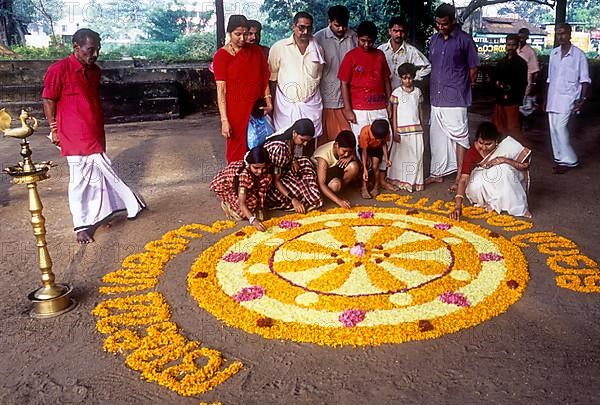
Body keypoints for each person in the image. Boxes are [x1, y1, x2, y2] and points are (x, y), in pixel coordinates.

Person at [42, 28, 145, 244]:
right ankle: (82, 225)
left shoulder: (94, 71)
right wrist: (54, 129)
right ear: (76, 47)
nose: (95, 54)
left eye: (98, 49)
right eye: (90, 49)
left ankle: (101, 214)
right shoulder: (59, 69)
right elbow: (48, 99)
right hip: (72, 135)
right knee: (80, 180)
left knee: (98, 176)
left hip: (94, 131)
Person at [427, 3, 479, 193]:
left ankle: (459, 176)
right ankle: (437, 172)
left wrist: (463, 87)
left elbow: (473, 69)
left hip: (456, 97)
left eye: (445, 24)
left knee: (460, 138)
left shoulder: (465, 40)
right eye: (438, 24)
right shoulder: (434, 40)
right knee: (437, 136)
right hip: (436, 97)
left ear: (453, 21)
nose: (441, 27)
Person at [214, 15, 272, 163]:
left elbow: (264, 78)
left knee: (258, 147)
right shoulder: (221, 56)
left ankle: (257, 183)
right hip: (234, 111)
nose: (242, 38)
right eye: (237, 34)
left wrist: (268, 101)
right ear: (229, 33)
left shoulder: (256, 52)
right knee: (236, 150)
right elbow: (221, 90)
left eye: (245, 34)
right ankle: (236, 183)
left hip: (255, 108)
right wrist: (224, 120)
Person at [450, 122, 532, 220]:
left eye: (488, 144)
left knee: (504, 169)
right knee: (476, 183)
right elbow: (463, 179)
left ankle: (516, 206)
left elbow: (524, 166)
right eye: (481, 143)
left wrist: (502, 160)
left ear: (496, 141)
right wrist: (458, 206)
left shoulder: (505, 145)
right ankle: (490, 202)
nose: (484, 148)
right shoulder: (471, 153)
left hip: (502, 180)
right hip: (483, 185)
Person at [269, 11, 325, 151]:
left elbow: (319, 77)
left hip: (311, 102)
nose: (305, 31)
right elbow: (272, 78)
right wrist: (271, 104)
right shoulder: (279, 47)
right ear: (293, 26)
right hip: (286, 103)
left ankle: (307, 167)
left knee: (310, 138)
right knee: (285, 138)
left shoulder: (318, 49)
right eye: (301, 27)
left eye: (309, 28)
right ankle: (287, 167)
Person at [546, 23, 591, 174]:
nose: (561, 36)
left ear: (570, 34)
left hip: (568, 98)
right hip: (553, 97)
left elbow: (585, 80)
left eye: (563, 33)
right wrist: (545, 99)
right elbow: (549, 79)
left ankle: (571, 159)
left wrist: (581, 100)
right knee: (553, 129)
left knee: (560, 128)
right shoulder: (554, 54)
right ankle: (560, 159)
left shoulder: (579, 55)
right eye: (558, 34)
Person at [338, 21, 392, 140]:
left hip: (380, 107)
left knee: (384, 142)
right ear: (357, 37)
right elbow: (344, 83)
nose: (366, 44)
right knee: (362, 143)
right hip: (359, 110)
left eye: (370, 41)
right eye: (363, 41)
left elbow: (386, 79)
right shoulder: (350, 56)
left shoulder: (380, 55)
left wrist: (389, 103)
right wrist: (348, 109)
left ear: (375, 40)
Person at [314, 5, 357, 144]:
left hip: (351, 99)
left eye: (344, 25)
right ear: (329, 21)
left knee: (349, 140)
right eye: (337, 25)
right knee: (327, 142)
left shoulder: (354, 37)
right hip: (327, 98)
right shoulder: (318, 38)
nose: (341, 29)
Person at [264, 118, 323, 213]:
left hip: (283, 170)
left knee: (305, 162)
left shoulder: (290, 139)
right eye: (303, 140)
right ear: (294, 133)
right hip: (271, 182)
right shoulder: (280, 149)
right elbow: (276, 180)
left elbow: (289, 156)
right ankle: (301, 198)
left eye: (307, 141)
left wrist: (292, 159)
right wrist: (293, 199)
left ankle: (307, 192)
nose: (305, 144)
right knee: (300, 191)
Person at [209, 146, 273, 232]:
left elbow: (262, 188)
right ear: (249, 165)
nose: (260, 172)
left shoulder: (266, 172)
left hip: (247, 187)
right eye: (256, 168)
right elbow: (241, 203)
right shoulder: (244, 176)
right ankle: (226, 204)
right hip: (228, 186)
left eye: (263, 168)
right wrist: (253, 220)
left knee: (257, 211)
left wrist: (259, 207)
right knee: (241, 215)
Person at [388, 63, 425, 192]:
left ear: (414, 77)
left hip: (416, 130)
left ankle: (414, 181)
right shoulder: (396, 93)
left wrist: (422, 126)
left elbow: (420, 111)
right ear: (400, 78)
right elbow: (394, 114)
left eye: (410, 78)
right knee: (402, 157)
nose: (407, 81)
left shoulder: (417, 92)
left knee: (417, 155)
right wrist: (395, 130)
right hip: (402, 131)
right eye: (404, 78)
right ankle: (402, 181)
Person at [491, 34, 528, 144]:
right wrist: (498, 85)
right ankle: (501, 148)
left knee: (513, 129)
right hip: (499, 100)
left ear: (517, 46)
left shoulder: (521, 63)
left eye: (513, 45)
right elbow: (495, 78)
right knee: (498, 127)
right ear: (505, 45)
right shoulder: (501, 62)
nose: (510, 47)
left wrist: (515, 97)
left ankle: (518, 153)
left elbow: (522, 83)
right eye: (508, 45)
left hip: (512, 100)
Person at [377, 16, 431, 91]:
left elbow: (428, 67)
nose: (398, 34)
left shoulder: (411, 51)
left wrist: (414, 76)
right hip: (384, 93)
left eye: (401, 31)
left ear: (405, 32)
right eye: (395, 31)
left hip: (404, 94)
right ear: (389, 31)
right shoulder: (381, 50)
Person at [312, 130, 359, 209]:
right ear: (336, 145)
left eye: (349, 152)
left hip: (334, 169)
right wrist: (339, 201)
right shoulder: (323, 158)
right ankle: (332, 195)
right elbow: (322, 184)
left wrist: (351, 157)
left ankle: (340, 191)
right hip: (321, 174)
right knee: (335, 185)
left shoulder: (343, 146)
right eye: (344, 151)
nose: (346, 154)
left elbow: (351, 155)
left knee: (354, 167)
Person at [358, 119, 392, 199]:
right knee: (365, 164)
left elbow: (384, 145)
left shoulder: (385, 131)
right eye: (377, 139)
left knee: (375, 165)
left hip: (377, 148)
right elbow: (364, 152)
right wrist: (365, 169)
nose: (378, 140)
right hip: (366, 148)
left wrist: (386, 159)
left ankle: (377, 186)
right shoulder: (364, 133)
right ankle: (364, 187)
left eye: (380, 139)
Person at [517, 28, 540, 100]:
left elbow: (535, 71)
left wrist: (533, 85)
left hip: (526, 85)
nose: (521, 39)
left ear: (527, 37)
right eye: (520, 37)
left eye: (523, 37)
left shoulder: (530, 52)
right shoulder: (515, 49)